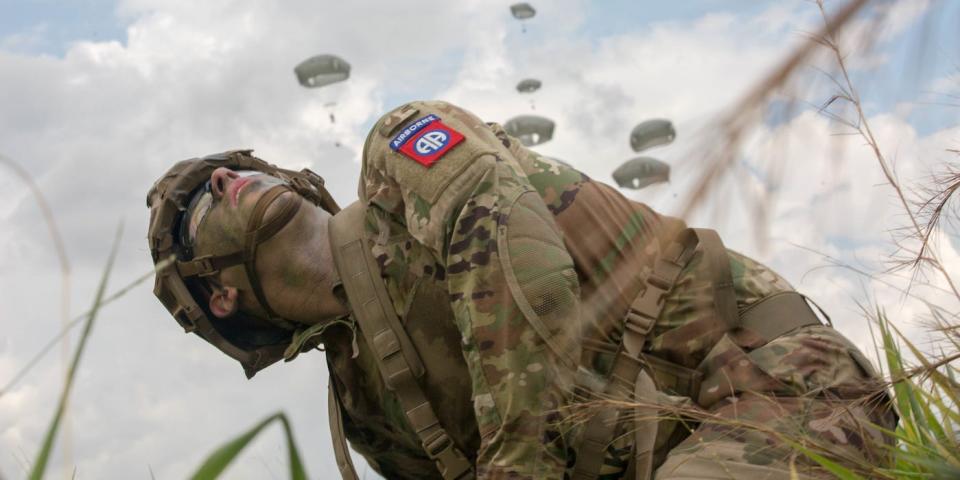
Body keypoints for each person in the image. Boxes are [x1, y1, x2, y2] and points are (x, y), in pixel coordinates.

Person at [146, 100, 894, 480]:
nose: (223, 177)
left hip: (775, 383)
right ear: (219, 299)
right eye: (198, 212)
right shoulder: (370, 412)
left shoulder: (398, 159)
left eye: (233, 167)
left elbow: (514, 254)